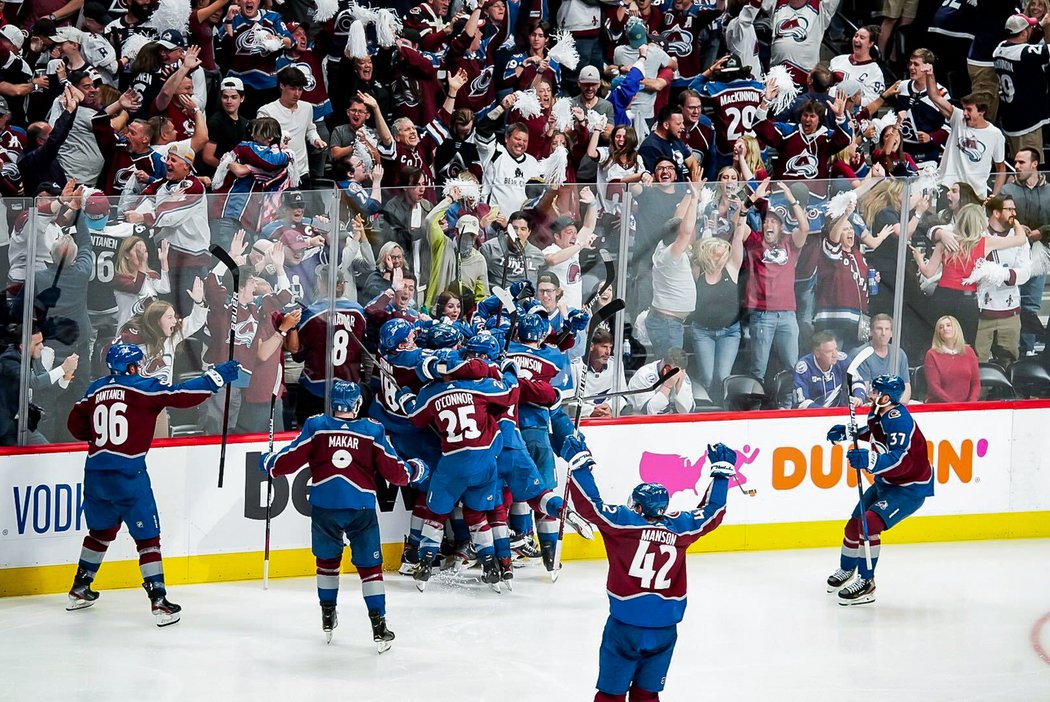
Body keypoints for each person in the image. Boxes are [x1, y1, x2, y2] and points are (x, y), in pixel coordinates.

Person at [65, 344, 240, 625]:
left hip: (96, 472)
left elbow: (75, 424)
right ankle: (158, 601)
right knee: (148, 539)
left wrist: (102, 440)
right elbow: (180, 396)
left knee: (100, 531)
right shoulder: (142, 387)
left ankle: (79, 588)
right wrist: (215, 378)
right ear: (132, 367)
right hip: (128, 474)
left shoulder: (94, 389)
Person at [559, 434, 737, 702]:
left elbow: (591, 506)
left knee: (611, 694)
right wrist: (720, 474)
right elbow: (713, 511)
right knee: (647, 693)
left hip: (626, 626)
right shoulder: (681, 527)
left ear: (639, 507)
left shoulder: (624, 524)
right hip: (665, 628)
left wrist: (578, 465)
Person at [261, 380, 427, 651]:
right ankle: (379, 626)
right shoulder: (372, 430)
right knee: (370, 569)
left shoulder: (316, 426)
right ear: (357, 404)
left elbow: (287, 460)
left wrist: (269, 463)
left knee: (327, 563)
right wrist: (416, 469)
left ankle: (328, 615)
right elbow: (395, 472)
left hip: (325, 508)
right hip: (360, 509)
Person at [826, 374, 934, 605]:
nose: (870, 394)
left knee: (869, 524)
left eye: (875, 391)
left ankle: (867, 582)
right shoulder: (879, 411)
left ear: (886, 397)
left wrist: (869, 460)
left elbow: (900, 459)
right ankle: (847, 570)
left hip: (909, 489)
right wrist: (849, 433)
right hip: (886, 483)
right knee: (853, 525)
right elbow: (875, 433)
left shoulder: (899, 419)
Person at [847, 314, 911, 403]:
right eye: (879, 329)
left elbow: (906, 387)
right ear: (871, 332)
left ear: (892, 333)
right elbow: (864, 391)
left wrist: (899, 406)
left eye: (887, 329)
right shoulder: (860, 354)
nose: (883, 333)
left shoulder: (899, 353)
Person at [923, 315, 980, 403]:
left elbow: (975, 383)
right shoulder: (932, 354)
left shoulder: (969, 352)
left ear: (956, 328)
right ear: (938, 333)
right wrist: (954, 405)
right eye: (941, 327)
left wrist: (971, 403)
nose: (945, 328)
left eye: (948, 325)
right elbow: (934, 386)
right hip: (940, 407)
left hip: (966, 407)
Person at [627, 347, 693, 415]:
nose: (675, 376)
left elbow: (687, 411)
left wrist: (679, 388)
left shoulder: (681, 375)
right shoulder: (643, 374)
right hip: (639, 419)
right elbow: (648, 411)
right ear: (663, 363)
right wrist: (667, 387)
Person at [793, 331, 849, 409]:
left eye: (835, 349)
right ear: (817, 353)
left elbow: (856, 381)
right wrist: (823, 412)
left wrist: (858, 397)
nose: (835, 354)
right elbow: (802, 401)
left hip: (840, 414)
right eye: (829, 352)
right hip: (813, 417)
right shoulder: (804, 367)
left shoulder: (843, 360)